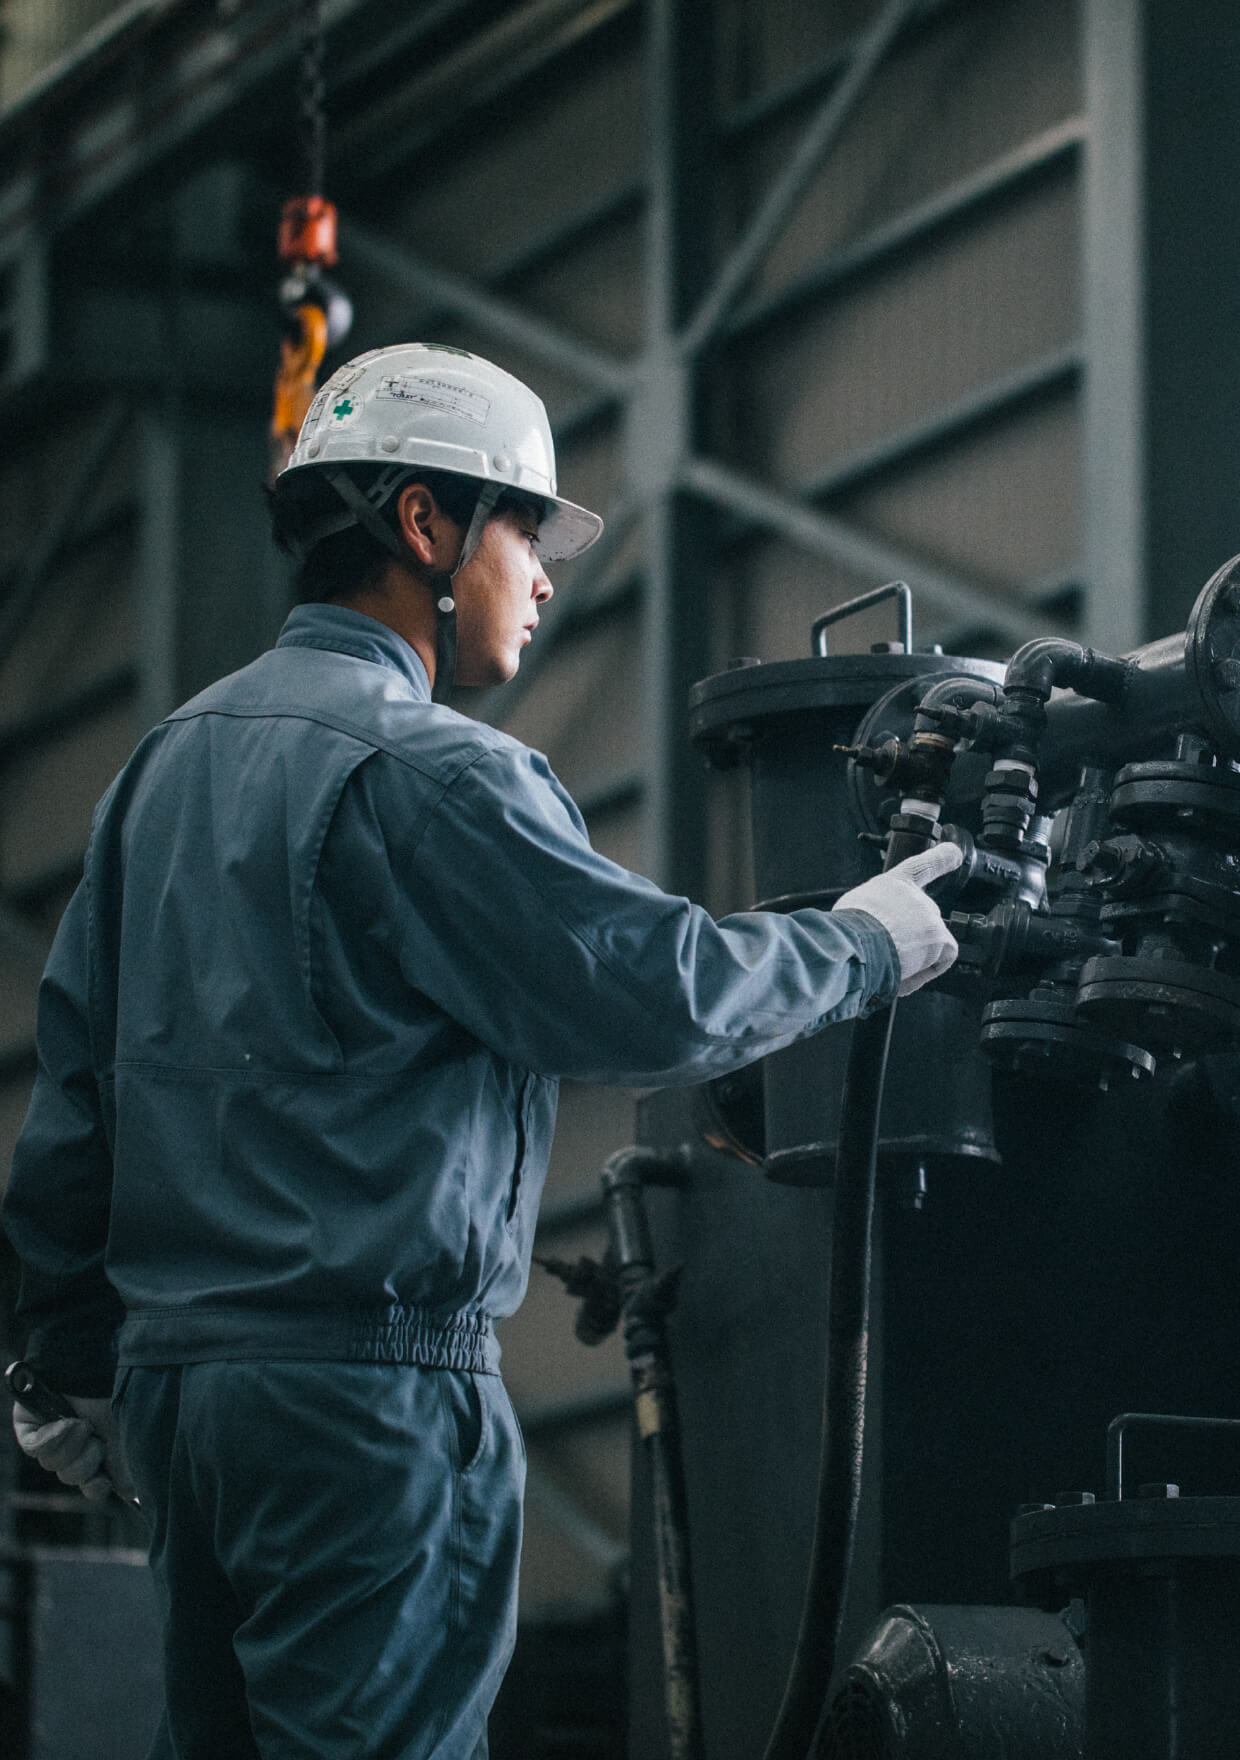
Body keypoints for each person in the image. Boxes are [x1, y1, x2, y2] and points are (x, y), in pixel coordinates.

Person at [2, 343, 961, 1759]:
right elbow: (654, 991)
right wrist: (871, 941)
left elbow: (74, 1103)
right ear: (424, 526)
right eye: (526, 527)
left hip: (184, 1407)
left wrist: (66, 1358)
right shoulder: (431, 773)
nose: (548, 573)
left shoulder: (163, 770)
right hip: (367, 1401)